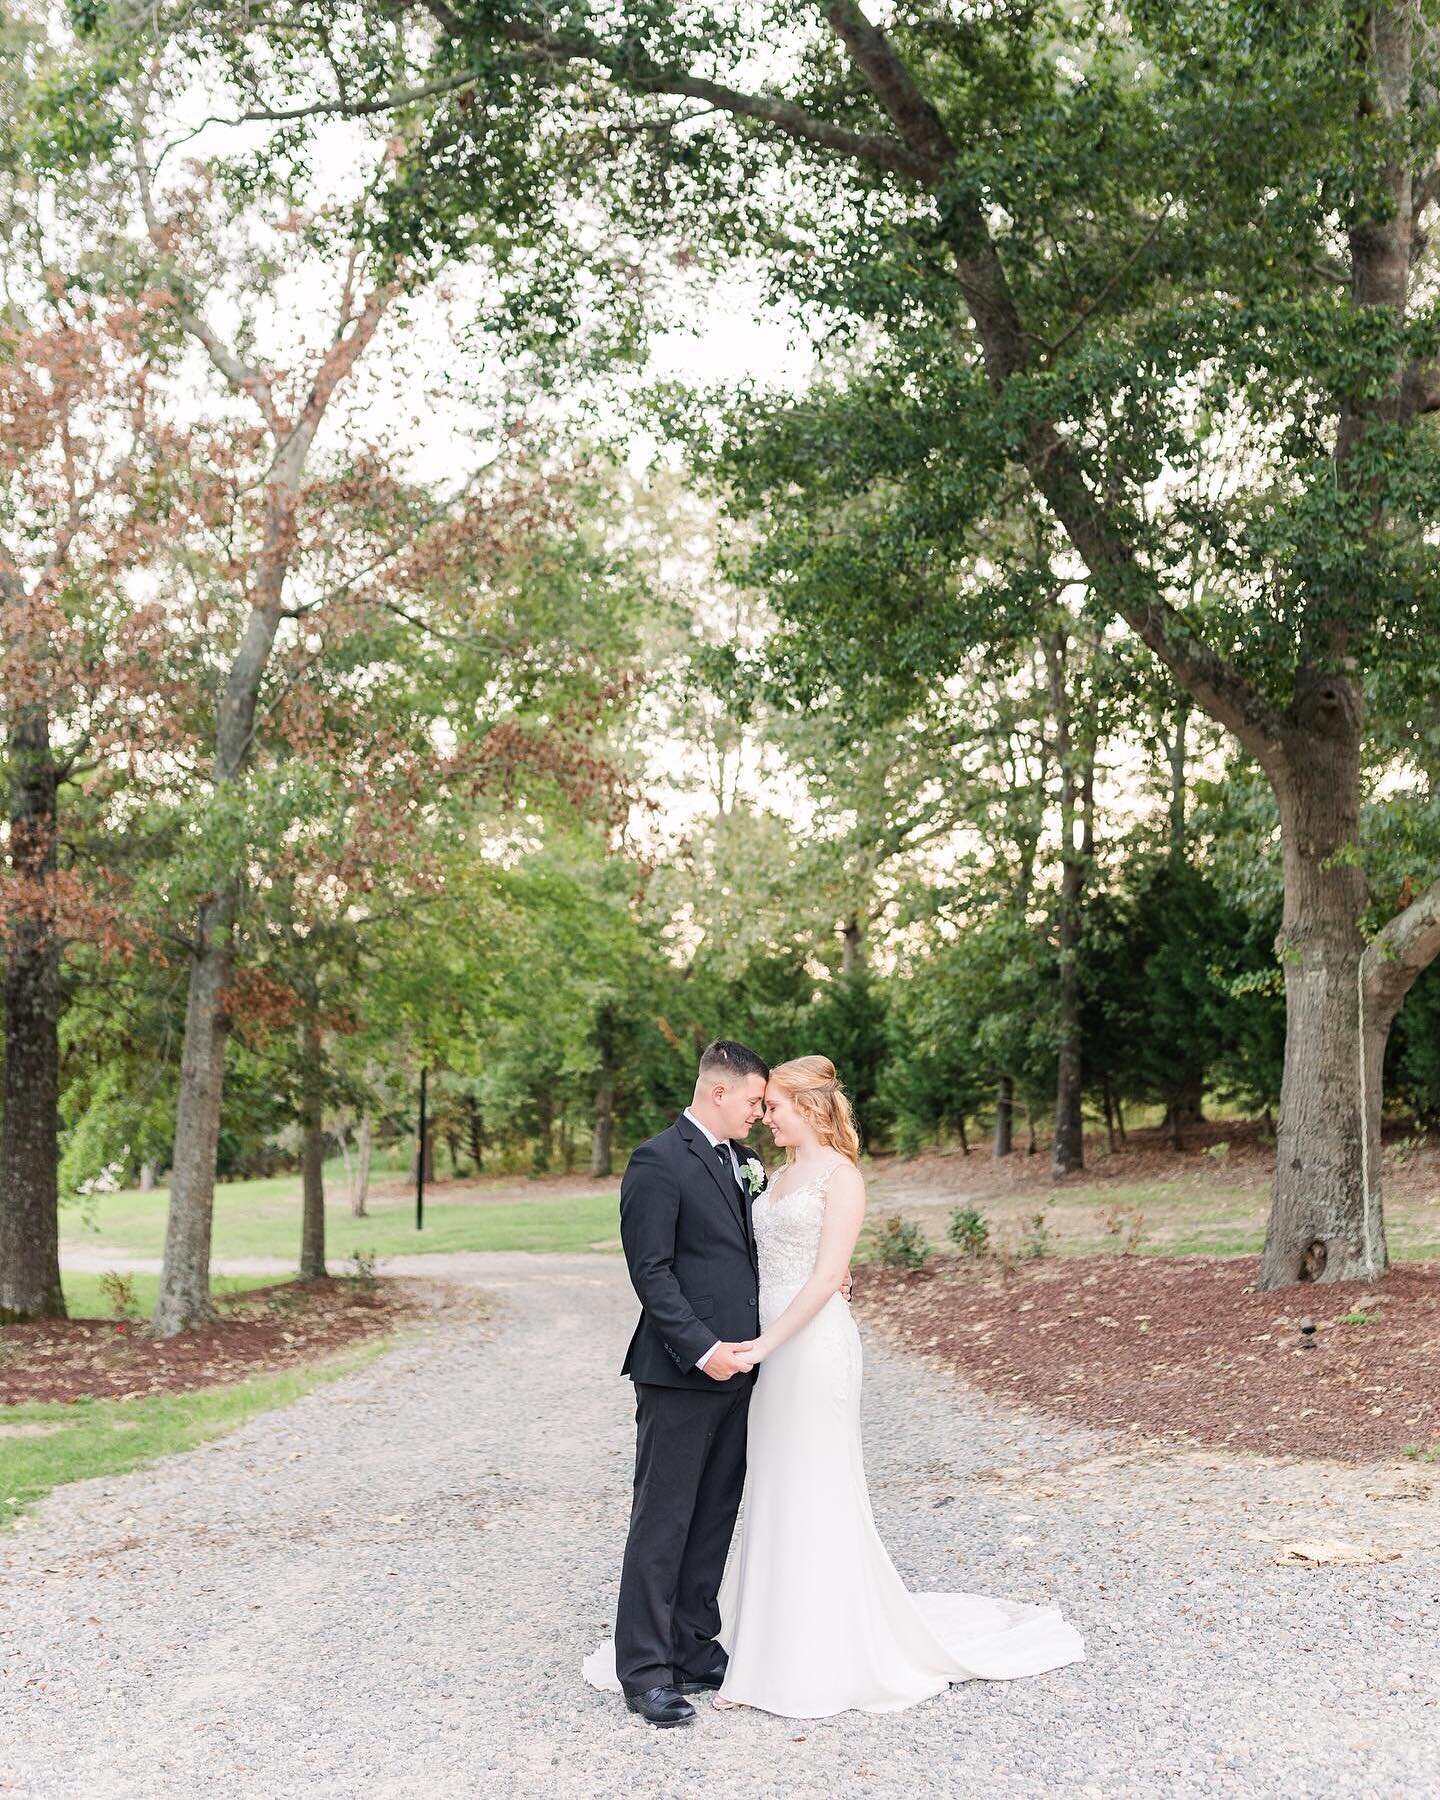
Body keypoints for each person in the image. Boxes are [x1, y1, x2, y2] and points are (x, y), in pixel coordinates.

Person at [708, 1054, 1084, 1716]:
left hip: (812, 1347)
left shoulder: (840, 1178)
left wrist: (769, 1341)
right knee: (772, 1481)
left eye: (777, 1107)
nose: (766, 1117)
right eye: (764, 1107)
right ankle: (762, 1642)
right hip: (770, 1342)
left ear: (813, 1109)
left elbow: (826, 1278)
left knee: (816, 1481)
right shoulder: (771, 1177)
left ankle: (817, 1651)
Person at [592, 1039, 771, 1728]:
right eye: (754, 1100)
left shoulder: (746, 1164)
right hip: (680, 1373)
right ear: (718, 1092)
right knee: (663, 1520)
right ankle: (642, 1670)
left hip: (746, 1369)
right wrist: (702, 1349)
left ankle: (695, 1647)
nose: (759, 1113)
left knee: (714, 1515)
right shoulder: (657, 1160)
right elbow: (652, 1272)